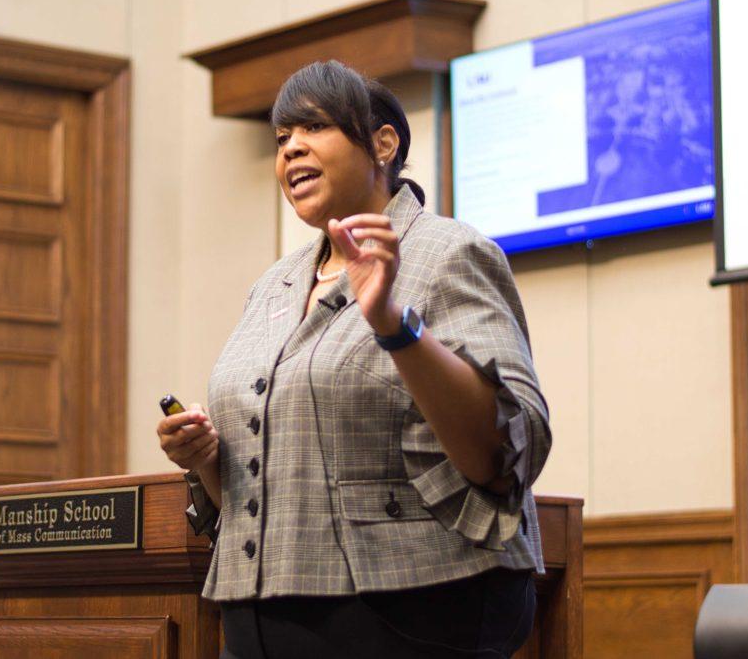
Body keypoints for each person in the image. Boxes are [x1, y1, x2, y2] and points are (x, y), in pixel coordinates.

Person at [156, 60, 551, 658]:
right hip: (259, 617)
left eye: (312, 128)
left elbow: (506, 450)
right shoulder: (273, 285)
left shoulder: (450, 251)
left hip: (410, 611)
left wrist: (393, 323)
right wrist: (208, 460)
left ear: (383, 144)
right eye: (281, 138)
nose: (291, 150)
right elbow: (273, 471)